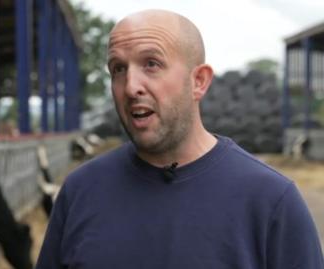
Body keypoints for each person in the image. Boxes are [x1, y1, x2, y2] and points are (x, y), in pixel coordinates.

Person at [35, 9, 324, 269]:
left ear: (199, 81)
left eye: (151, 64)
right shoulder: (80, 191)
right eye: (118, 69)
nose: (131, 86)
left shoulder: (271, 201)